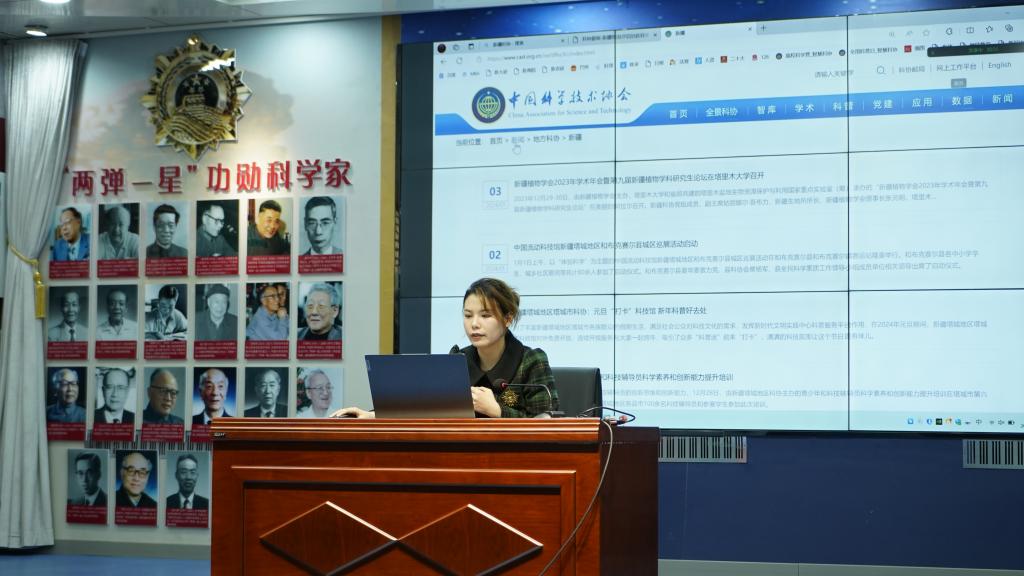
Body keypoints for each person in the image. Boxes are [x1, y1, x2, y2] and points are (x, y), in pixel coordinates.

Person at [335, 278, 557, 419]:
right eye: (468, 315)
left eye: (485, 315)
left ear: (507, 319)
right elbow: (425, 407)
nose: (474, 324)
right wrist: (371, 415)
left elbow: (548, 423)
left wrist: (497, 411)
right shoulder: (458, 359)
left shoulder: (530, 360)